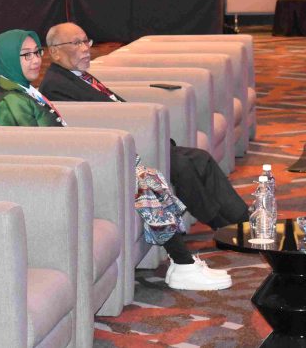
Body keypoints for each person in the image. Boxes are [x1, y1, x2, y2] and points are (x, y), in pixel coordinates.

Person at [0, 29, 232, 291]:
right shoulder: (11, 102)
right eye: (25, 55)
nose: (35, 60)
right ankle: (183, 264)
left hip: (68, 165)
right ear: (7, 58)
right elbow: (36, 152)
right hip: (59, 179)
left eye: (36, 52)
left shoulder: (23, 90)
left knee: (143, 174)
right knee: (140, 179)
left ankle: (182, 262)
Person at [40, 23, 250, 230]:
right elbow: (87, 127)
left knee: (201, 158)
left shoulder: (78, 75)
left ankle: (243, 219)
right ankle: (227, 226)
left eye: (86, 41)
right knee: (183, 166)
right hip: (119, 151)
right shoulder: (55, 85)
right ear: (55, 51)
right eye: (76, 43)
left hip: (137, 139)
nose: (86, 48)